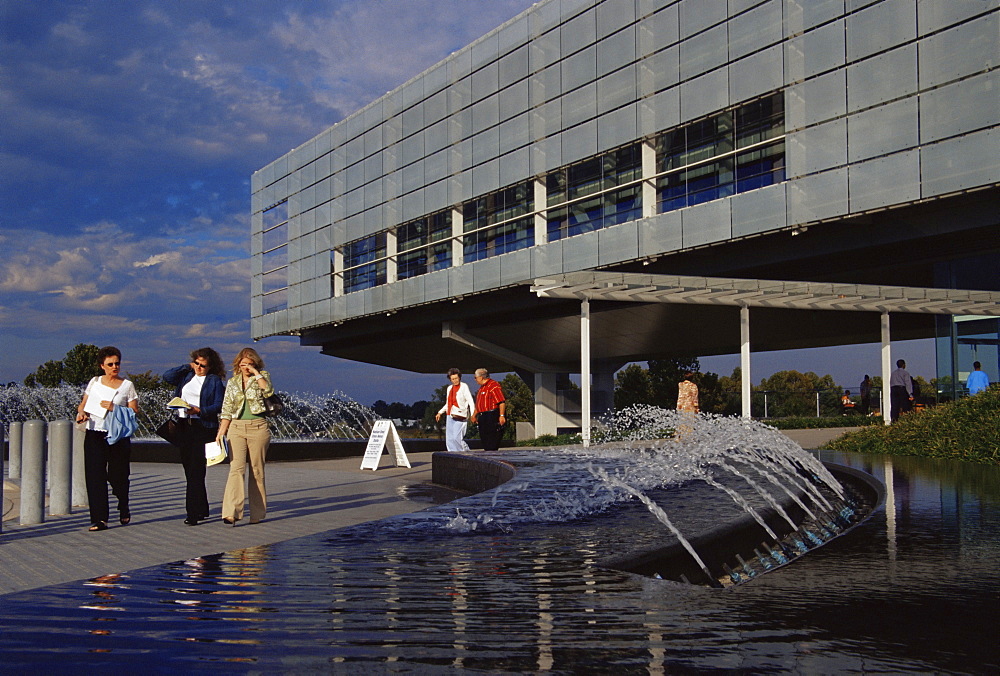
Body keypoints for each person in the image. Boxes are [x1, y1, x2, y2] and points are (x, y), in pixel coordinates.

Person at [75, 346, 139, 532]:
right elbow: (83, 405)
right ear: (102, 365)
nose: (114, 367)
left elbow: (135, 411)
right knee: (95, 476)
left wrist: (114, 408)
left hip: (117, 435)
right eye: (110, 364)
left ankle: (123, 503)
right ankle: (99, 519)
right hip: (95, 432)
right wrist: (81, 413)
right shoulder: (94, 382)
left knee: (118, 476)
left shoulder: (127, 385)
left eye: (117, 363)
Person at [163, 347, 226, 525]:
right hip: (184, 425)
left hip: (202, 426)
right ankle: (202, 508)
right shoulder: (187, 376)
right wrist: (186, 367)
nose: (199, 368)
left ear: (210, 366)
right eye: (197, 364)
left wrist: (199, 410)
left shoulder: (214, 381)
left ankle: (192, 513)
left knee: (196, 470)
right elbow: (167, 377)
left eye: (203, 366)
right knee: (189, 470)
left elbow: (218, 405)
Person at [216, 348, 274, 526]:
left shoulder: (262, 377)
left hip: (258, 427)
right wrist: (221, 432)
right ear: (237, 364)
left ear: (255, 363)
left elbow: (269, 391)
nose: (245, 367)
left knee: (257, 471)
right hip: (237, 427)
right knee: (236, 469)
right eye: (243, 364)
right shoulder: (233, 383)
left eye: (249, 363)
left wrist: (256, 373)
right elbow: (226, 408)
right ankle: (231, 512)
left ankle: (256, 513)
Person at [435, 368, 475, 452]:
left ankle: (466, 452)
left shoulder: (464, 386)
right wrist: (440, 412)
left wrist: (473, 414)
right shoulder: (449, 388)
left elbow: (470, 401)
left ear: (459, 377)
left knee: (457, 437)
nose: (455, 380)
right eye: (452, 379)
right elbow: (448, 403)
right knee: (450, 439)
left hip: (460, 415)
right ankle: (452, 454)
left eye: (456, 378)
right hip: (450, 414)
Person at [471, 368, 506, 452]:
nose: (475, 380)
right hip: (483, 416)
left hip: (492, 415)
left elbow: (501, 402)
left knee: (492, 441)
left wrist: (501, 415)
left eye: (475, 377)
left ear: (481, 377)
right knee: (484, 440)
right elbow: (479, 404)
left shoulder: (493, 386)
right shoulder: (481, 388)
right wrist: (474, 415)